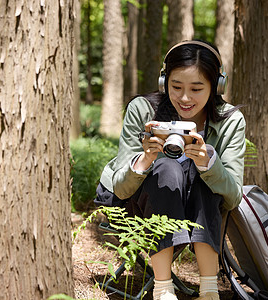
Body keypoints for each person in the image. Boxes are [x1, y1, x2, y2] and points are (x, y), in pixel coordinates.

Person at [95, 40, 246, 300]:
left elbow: (232, 197)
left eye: (197, 89)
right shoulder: (143, 109)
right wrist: (145, 159)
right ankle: (163, 289)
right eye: (176, 87)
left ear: (216, 86)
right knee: (166, 168)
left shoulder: (230, 120)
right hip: (134, 206)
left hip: (192, 206)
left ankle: (209, 291)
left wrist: (207, 163)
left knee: (204, 172)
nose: (185, 98)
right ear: (164, 82)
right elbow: (121, 187)